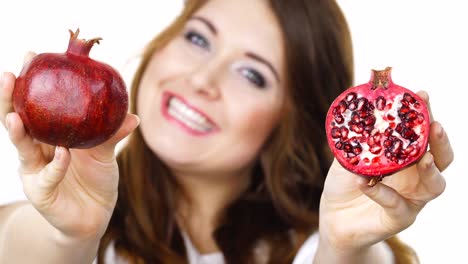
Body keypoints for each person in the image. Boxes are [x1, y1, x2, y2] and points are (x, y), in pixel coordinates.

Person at [0, 0, 453, 263]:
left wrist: (343, 248)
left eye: (252, 74)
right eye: (198, 38)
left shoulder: (333, 244)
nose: (202, 79)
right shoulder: (31, 229)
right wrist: (69, 236)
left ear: (294, 119)